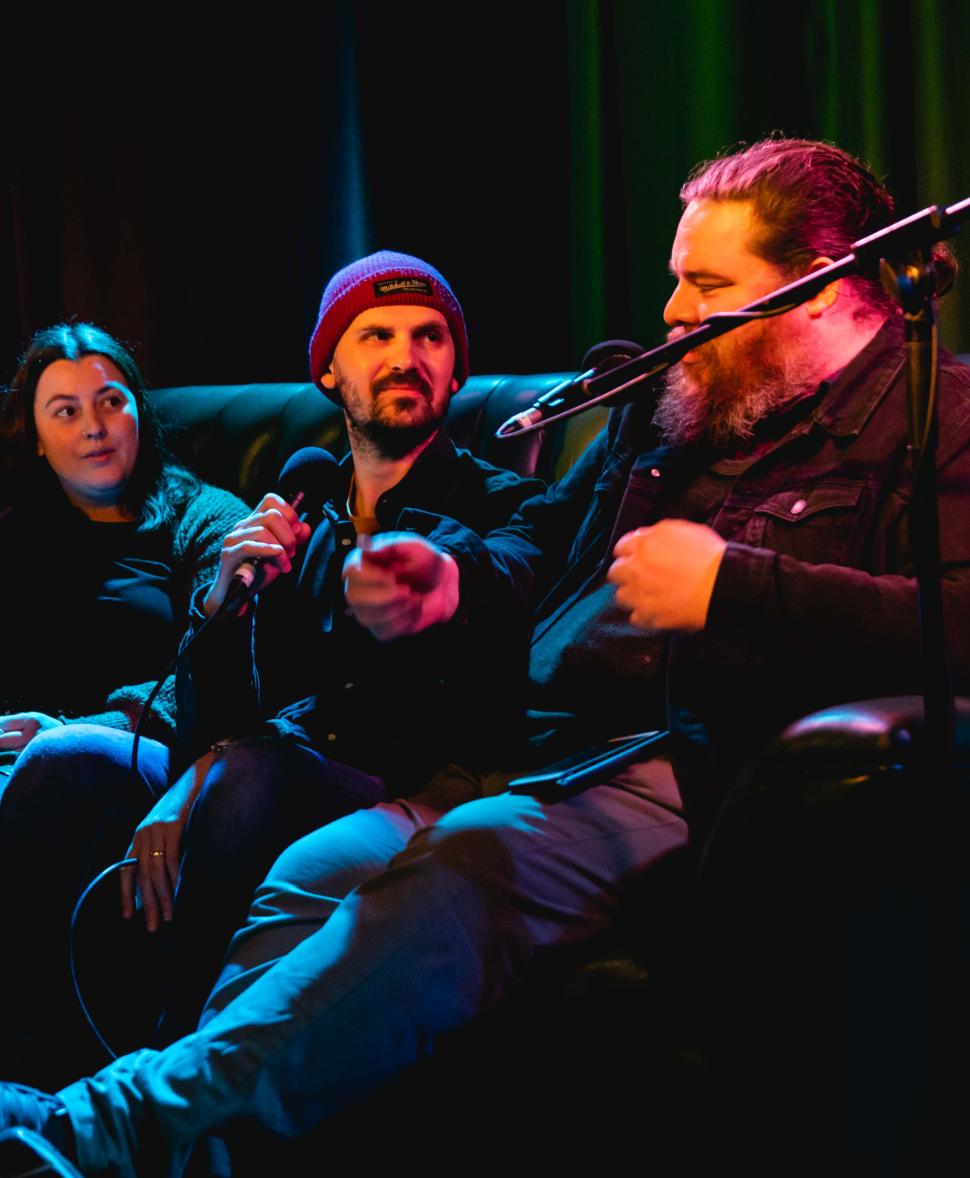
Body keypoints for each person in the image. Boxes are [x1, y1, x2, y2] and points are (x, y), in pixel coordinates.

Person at [3, 138, 969, 1178]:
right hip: (549, 750)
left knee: (461, 867)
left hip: (695, 773)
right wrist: (451, 585)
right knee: (312, 873)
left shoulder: (934, 417)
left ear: (822, 292)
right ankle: (188, 1155)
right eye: (675, 280)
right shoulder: (676, 404)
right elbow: (540, 546)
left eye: (708, 284)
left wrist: (735, 587)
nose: (675, 312)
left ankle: (99, 1133)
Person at [122, 250, 545, 1043]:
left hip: (429, 783)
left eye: (430, 337)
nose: (405, 357)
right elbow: (225, 717)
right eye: (375, 335)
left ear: (456, 373)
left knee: (253, 778)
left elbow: (482, 625)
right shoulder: (302, 514)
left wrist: (226, 766)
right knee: (95, 784)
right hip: (293, 769)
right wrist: (224, 605)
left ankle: (171, 1063)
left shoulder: (503, 505)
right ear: (327, 373)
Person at [0, 322, 248, 1082]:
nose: (95, 426)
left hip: (157, 754)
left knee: (59, 757)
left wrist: (83, 724)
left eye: (110, 401)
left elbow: (213, 666)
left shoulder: (203, 518)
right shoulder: (17, 539)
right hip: (24, 759)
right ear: (37, 439)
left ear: (139, 409)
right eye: (65, 411)